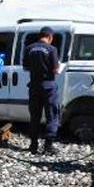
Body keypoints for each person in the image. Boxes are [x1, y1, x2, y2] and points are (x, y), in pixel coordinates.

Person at [23, 26, 60, 155]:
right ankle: (48, 146)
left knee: (35, 116)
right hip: (48, 86)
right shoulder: (52, 49)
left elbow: (25, 67)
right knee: (52, 115)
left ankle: (33, 145)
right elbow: (55, 70)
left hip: (34, 86)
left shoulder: (29, 48)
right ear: (50, 37)